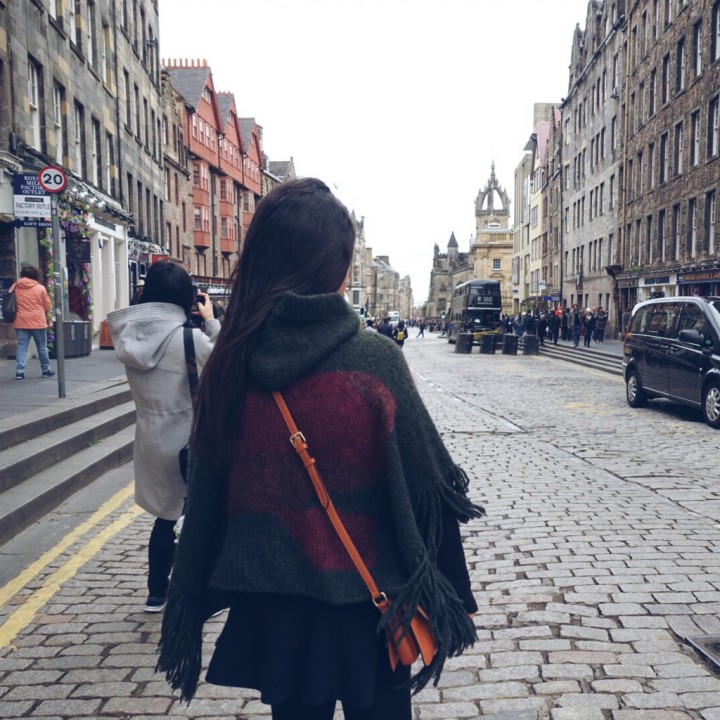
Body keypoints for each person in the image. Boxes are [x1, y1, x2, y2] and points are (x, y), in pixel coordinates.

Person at [157, 178, 482, 720]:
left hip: (276, 611)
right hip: (373, 606)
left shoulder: (231, 364)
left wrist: (189, 593)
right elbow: (428, 487)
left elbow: (207, 492)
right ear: (338, 265)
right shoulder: (374, 361)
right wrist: (454, 594)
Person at [107, 261, 220, 613]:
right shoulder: (189, 339)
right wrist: (212, 321)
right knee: (198, 515)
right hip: (188, 440)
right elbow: (226, 363)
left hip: (151, 437)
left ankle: (157, 591)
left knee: (167, 516)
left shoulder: (131, 338)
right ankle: (198, 587)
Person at [11, 265, 54, 380]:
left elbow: (10, 299)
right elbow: (47, 306)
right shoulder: (40, 288)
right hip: (37, 321)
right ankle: (45, 370)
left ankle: (20, 372)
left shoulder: (16, 286)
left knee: (22, 347)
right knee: (41, 347)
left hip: (21, 320)